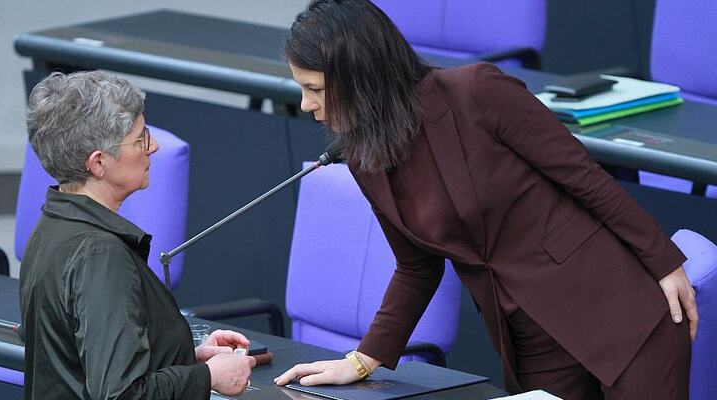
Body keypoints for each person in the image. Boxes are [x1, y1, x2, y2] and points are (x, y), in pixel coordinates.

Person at [273, 1, 698, 399]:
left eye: (317, 88)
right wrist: (363, 360)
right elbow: (417, 268)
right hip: (529, 340)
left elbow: (585, 179)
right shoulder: (367, 158)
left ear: (361, 76)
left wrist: (663, 261)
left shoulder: (477, 92)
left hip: (616, 307)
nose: (307, 105)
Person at [19, 71, 256, 399]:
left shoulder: (52, 225)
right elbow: (123, 394)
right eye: (141, 138)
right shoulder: (99, 256)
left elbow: (80, 359)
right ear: (99, 163)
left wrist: (187, 358)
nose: (154, 146)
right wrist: (205, 378)